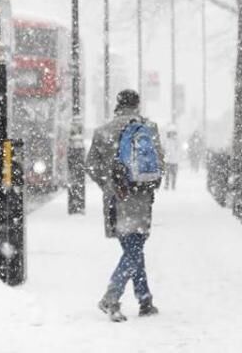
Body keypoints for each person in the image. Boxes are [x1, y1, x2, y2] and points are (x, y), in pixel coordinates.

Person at [86, 89, 163, 323]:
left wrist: (109, 184)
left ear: (117, 105)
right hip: (141, 197)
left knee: (132, 248)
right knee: (135, 247)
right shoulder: (149, 128)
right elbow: (159, 161)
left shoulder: (103, 132)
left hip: (115, 199)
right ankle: (114, 297)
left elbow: (91, 165)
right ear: (137, 105)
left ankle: (144, 299)